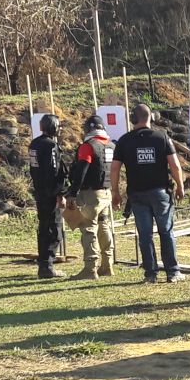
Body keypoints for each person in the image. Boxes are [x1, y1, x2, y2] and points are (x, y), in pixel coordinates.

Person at [112, 104, 185, 284]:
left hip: (136, 194)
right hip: (160, 192)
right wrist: (180, 185)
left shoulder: (124, 140)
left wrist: (115, 192)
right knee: (166, 232)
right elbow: (175, 165)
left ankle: (150, 273)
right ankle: (172, 272)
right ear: (150, 118)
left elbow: (114, 169)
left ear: (133, 119)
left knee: (145, 235)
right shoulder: (161, 137)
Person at [66, 115, 115, 280]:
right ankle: (107, 265)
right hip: (106, 193)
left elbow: (82, 170)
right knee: (104, 227)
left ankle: (90, 268)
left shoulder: (88, 147)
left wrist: (72, 193)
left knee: (88, 229)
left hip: (90, 195)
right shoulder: (110, 145)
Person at [29, 114, 68, 278]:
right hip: (49, 194)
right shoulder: (51, 146)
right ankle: (47, 266)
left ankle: (44, 264)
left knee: (44, 228)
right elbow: (54, 171)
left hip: (39, 191)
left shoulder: (34, 143)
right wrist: (60, 193)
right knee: (53, 230)